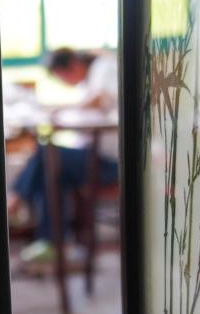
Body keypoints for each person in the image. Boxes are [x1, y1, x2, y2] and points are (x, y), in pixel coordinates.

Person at [9, 47, 119, 263]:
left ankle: (14, 202)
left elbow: (99, 101)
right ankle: (54, 245)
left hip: (113, 163)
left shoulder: (103, 68)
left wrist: (58, 109)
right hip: (95, 156)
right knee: (51, 173)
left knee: (46, 154)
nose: (65, 82)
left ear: (74, 65)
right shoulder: (86, 84)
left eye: (62, 77)